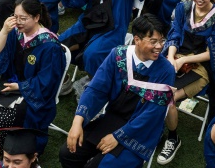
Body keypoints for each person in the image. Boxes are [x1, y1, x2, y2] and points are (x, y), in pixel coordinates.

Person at [59, 14, 175, 168]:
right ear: (137, 40)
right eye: (153, 41)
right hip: (112, 119)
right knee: (68, 154)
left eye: (162, 41)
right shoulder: (119, 56)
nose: (160, 46)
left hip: (140, 132)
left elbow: (152, 114)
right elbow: (96, 89)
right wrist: (77, 120)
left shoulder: (165, 70)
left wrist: (118, 137)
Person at [158, 0, 215, 164]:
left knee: (168, 98)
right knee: (151, 89)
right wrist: (172, 57)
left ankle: (173, 138)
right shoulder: (184, 8)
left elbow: (214, 53)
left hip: (202, 68)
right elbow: (174, 33)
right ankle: (154, 129)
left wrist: (185, 61)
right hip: (178, 57)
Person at [0, 0, 65, 154]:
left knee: (17, 113)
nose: (17, 21)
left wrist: (20, 86)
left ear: (36, 17)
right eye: (15, 16)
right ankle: (3, 141)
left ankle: (22, 150)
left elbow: (47, 83)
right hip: (12, 83)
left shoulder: (50, 46)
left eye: (23, 18)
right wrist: (4, 32)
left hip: (35, 94)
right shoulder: (16, 33)